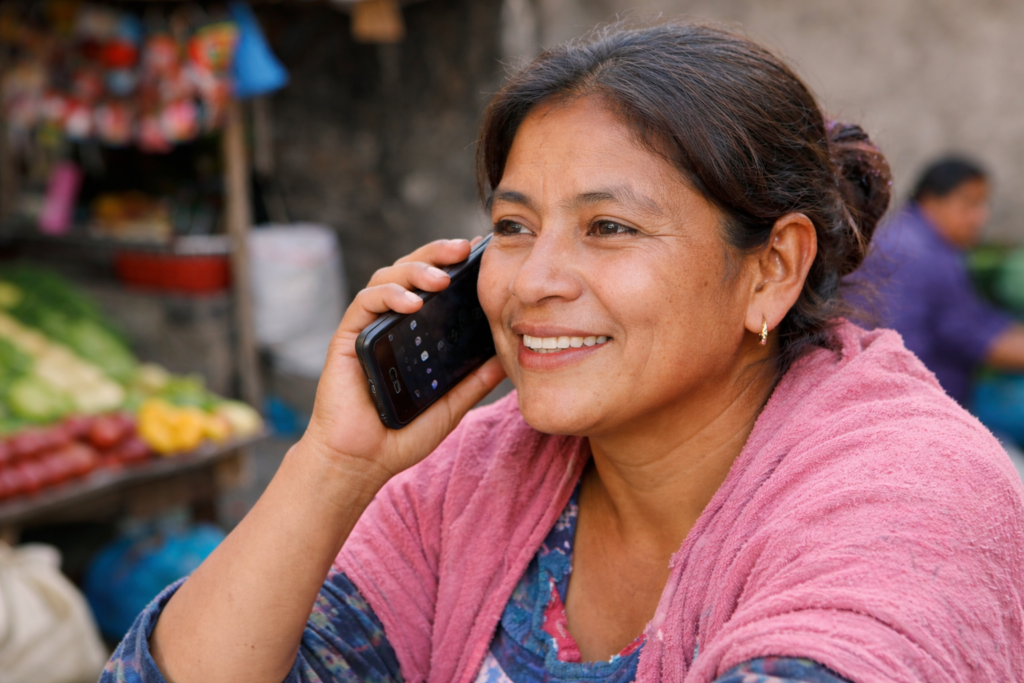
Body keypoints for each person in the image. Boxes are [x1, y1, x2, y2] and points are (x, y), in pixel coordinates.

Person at [102, 24, 1024, 683]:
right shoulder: (476, 473)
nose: (533, 279)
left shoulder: (909, 501)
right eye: (512, 225)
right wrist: (333, 465)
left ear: (772, 270)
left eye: (609, 226)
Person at [855, 156, 1024, 407]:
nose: (981, 217)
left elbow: (974, 319)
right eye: (969, 204)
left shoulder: (913, 238)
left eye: (982, 204)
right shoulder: (918, 254)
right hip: (913, 400)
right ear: (931, 200)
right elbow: (971, 336)